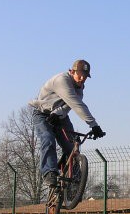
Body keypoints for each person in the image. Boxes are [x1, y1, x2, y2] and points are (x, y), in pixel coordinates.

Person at [29, 59, 105, 187]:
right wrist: (94, 125)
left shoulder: (80, 88)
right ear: (72, 71)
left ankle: (74, 178)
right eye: (80, 75)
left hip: (59, 116)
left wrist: (58, 113)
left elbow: (69, 106)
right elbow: (76, 103)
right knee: (48, 138)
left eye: (85, 77)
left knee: (72, 144)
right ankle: (49, 172)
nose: (82, 79)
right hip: (42, 114)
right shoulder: (62, 80)